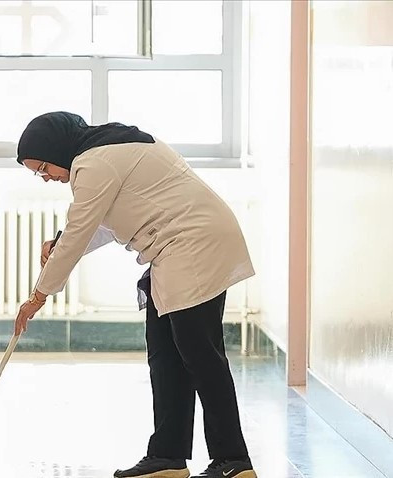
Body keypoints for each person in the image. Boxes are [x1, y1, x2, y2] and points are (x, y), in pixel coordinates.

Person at [13, 112, 258, 478]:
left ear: (56, 149)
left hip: (193, 245)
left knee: (200, 356)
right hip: (178, 251)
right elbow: (101, 224)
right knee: (165, 356)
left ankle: (233, 461)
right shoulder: (105, 151)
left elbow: (82, 227)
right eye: (38, 173)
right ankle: (167, 456)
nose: (46, 177)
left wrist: (38, 296)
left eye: (44, 167)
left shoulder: (94, 162)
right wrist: (62, 241)